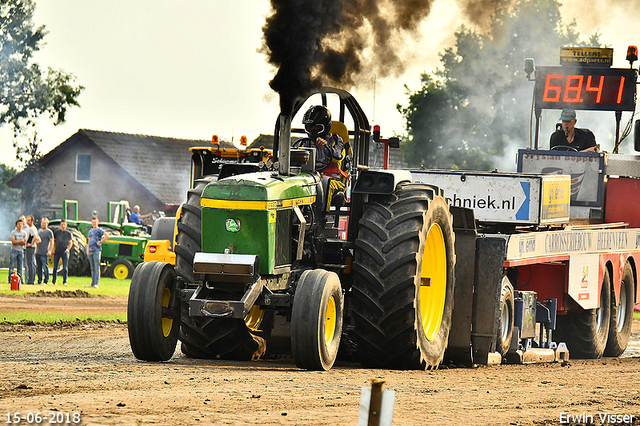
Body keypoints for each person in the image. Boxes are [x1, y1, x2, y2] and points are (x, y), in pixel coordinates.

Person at [292, 105, 346, 212]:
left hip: (332, 180)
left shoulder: (336, 140)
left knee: (324, 181)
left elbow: (338, 156)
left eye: (316, 127)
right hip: (309, 177)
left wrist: (326, 148)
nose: (313, 130)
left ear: (325, 126)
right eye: (310, 127)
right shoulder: (304, 143)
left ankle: (319, 217)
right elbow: (294, 157)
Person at [86, 216, 109, 289]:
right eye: (93, 222)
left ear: (97, 222)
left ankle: (96, 283)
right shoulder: (90, 231)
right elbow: (89, 241)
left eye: (95, 222)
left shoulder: (99, 230)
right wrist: (87, 250)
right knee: (92, 267)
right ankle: (92, 283)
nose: (94, 223)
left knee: (96, 267)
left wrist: (101, 241)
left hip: (97, 250)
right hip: (91, 250)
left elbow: (107, 236)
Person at [52, 219, 73, 286]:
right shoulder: (57, 232)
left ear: (66, 225)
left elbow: (71, 243)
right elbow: (53, 241)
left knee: (65, 268)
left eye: (64, 224)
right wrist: (52, 249)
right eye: (62, 224)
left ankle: (64, 282)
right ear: (60, 225)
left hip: (65, 252)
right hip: (57, 251)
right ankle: (53, 281)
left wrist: (67, 249)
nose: (63, 226)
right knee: (55, 267)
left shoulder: (68, 234)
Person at [36, 217, 54, 285]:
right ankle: (39, 281)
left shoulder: (49, 232)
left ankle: (45, 281)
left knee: (45, 267)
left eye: (45, 223)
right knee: (39, 268)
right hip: (38, 252)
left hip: (45, 253)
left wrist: (50, 250)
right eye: (42, 223)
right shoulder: (39, 231)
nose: (43, 224)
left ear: (47, 224)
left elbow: (52, 242)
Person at [23, 215, 41, 285]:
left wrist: (31, 244)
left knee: (30, 264)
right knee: (31, 263)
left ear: (32, 221)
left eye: (28, 220)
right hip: (32, 247)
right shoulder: (31, 228)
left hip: (31, 248)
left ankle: (31, 280)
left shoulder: (32, 228)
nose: (27, 221)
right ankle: (31, 279)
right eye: (27, 220)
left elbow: (36, 237)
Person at [9, 218, 27, 284]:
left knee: (20, 266)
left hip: (21, 251)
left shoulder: (24, 233)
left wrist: (18, 241)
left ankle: (20, 280)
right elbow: (13, 242)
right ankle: (10, 279)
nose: (20, 225)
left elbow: (24, 242)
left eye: (21, 224)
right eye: (19, 224)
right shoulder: (13, 232)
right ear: (16, 225)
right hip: (14, 250)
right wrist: (21, 241)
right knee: (12, 265)